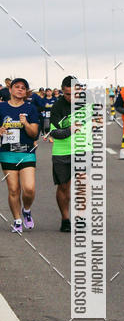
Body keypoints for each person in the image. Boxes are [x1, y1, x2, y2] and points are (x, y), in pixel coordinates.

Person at [46, 75, 88, 232]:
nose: (71, 97)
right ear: (62, 91)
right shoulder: (57, 107)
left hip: (83, 150)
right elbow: (53, 133)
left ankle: (81, 217)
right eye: (67, 94)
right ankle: (65, 219)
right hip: (62, 151)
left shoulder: (88, 105)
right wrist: (70, 130)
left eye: (75, 93)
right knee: (64, 187)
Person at [0, 78, 40, 232]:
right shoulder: (1, 107)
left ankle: (27, 210)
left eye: (23, 88)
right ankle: (17, 220)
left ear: (26, 92)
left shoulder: (30, 109)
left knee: (29, 188)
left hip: (26, 152)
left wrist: (26, 124)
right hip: (7, 153)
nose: (20, 89)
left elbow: (34, 133)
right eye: (16, 87)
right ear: (10, 90)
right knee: (13, 189)